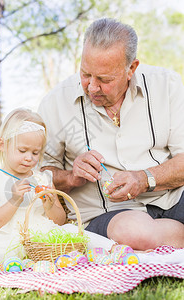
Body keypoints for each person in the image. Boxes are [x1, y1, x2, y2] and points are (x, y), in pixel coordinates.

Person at [38, 18, 184, 251]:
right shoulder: (56, 103)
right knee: (137, 233)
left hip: (173, 199)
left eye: (104, 79)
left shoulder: (166, 85)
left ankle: (166, 241)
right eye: (85, 74)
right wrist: (71, 177)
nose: (92, 87)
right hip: (109, 216)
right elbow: (39, 176)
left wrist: (144, 178)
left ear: (131, 69)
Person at [0, 108, 115, 273]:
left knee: (73, 230)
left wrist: (50, 205)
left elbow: (59, 220)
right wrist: (14, 200)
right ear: (2, 145)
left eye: (35, 152)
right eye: (22, 151)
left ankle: (115, 250)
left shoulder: (43, 178)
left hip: (40, 241)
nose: (29, 157)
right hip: (4, 241)